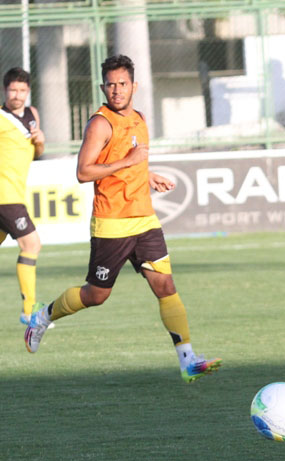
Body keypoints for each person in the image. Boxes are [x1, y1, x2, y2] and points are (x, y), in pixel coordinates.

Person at [24, 55, 221, 383]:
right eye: (111, 84)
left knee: (166, 286)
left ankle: (187, 360)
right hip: (111, 224)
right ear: (103, 88)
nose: (117, 90)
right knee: (96, 295)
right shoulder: (100, 124)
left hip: (144, 219)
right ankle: (42, 317)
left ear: (134, 86)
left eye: (122, 84)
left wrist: (148, 175)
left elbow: (132, 163)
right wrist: (128, 161)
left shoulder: (140, 119)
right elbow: (84, 172)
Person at [1, 67, 46, 326]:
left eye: (22, 90)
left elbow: (37, 152)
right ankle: (30, 311)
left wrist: (40, 141)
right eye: (12, 90)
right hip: (4, 196)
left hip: (16, 192)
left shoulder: (32, 114)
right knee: (31, 244)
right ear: (4, 90)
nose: (17, 95)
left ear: (28, 91)